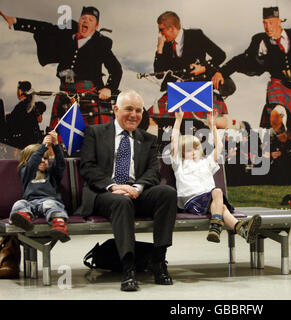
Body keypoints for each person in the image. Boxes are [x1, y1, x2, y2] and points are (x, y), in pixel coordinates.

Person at [75, 89, 177, 292]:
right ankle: (128, 268)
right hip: (104, 194)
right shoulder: (95, 132)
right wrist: (114, 186)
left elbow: (152, 172)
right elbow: (87, 167)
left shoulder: (147, 139)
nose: (134, 115)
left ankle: (158, 261)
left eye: (138, 110)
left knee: (167, 192)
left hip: (134, 192)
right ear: (115, 110)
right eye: (129, 109)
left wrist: (136, 188)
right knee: (121, 202)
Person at [0, 6, 123, 128]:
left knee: (94, 138)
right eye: (83, 18)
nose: (85, 21)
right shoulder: (68, 34)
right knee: (57, 139)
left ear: (96, 27)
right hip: (64, 93)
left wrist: (109, 88)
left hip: (89, 96)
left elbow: (116, 70)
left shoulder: (101, 44)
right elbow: (45, 28)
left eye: (91, 20)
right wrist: (16, 21)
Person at [212, 6, 291, 138]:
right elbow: (243, 59)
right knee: (276, 111)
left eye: (271, 22)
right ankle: (278, 131)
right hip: (277, 83)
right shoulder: (260, 40)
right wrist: (221, 72)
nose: (268, 27)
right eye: (265, 23)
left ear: (280, 22)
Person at [170, 108, 261, 243]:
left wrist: (212, 126)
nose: (194, 152)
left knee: (221, 207)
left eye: (196, 148)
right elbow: (174, 143)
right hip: (191, 201)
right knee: (218, 192)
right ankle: (216, 227)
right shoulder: (180, 165)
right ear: (182, 154)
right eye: (189, 150)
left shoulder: (205, 163)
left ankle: (241, 229)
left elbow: (218, 146)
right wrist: (178, 120)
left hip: (208, 201)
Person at [149, 11, 229, 146]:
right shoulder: (166, 44)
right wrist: (159, 48)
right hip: (176, 90)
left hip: (198, 88)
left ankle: (210, 148)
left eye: (161, 30)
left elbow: (220, 55)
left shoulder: (195, 35)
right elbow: (158, 74)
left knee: (217, 121)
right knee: (150, 118)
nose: (160, 34)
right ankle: (160, 152)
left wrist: (204, 67)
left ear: (172, 28)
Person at [9, 131, 70, 243]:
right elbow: (31, 165)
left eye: (45, 158)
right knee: (19, 203)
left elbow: (60, 164)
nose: (43, 160)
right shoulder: (26, 173)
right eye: (39, 158)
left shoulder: (51, 174)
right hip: (30, 204)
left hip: (48, 202)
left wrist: (56, 145)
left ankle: (59, 225)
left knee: (51, 204)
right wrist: (42, 147)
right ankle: (23, 219)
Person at [3, 81, 46, 149]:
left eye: (19, 89)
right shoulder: (25, 104)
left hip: (23, 139)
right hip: (26, 137)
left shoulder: (25, 105)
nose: (18, 92)